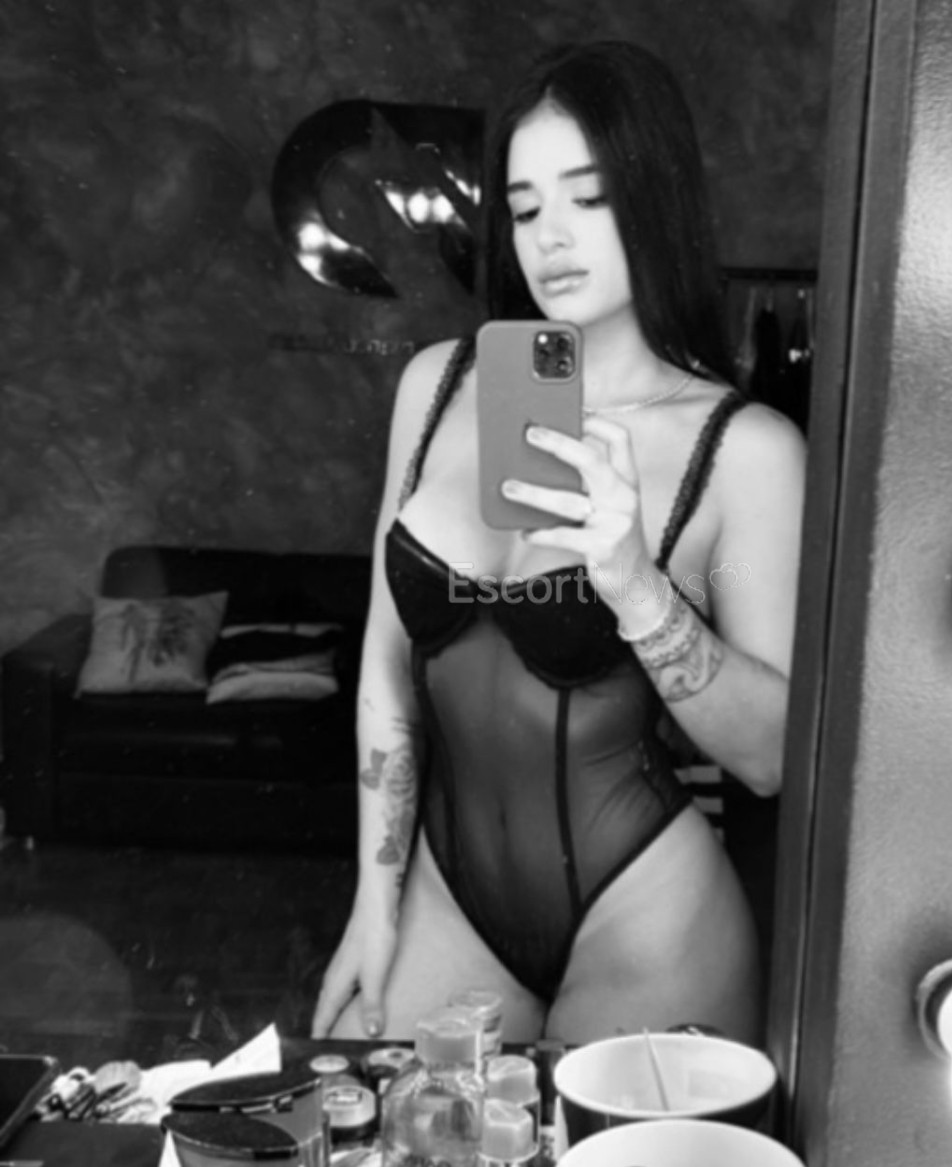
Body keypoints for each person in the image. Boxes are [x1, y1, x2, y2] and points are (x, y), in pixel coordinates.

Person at [311, 39, 805, 1046]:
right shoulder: (437, 390)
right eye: (526, 208)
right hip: (444, 898)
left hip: (648, 916)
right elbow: (384, 672)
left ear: (655, 199)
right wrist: (374, 902)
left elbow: (769, 760)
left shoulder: (744, 450)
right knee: (368, 1114)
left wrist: (635, 584)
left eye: (588, 197)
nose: (553, 238)